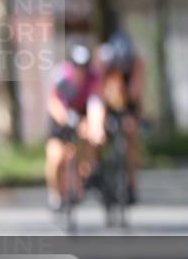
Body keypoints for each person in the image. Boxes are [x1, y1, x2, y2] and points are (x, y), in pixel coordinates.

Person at [45, 43, 100, 211]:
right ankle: (56, 194)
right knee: (56, 159)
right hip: (61, 120)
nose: (80, 70)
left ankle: (84, 177)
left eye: (84, 67)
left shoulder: (94, 79)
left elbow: (95, 105)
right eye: (77, 66)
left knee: (89, 141)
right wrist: (65, 119)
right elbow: (53, 102)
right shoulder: (61, 76)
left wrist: (93, 126)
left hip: (82, 116)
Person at [92, 30, 145, 204]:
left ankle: (131, 184)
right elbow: (97, 89)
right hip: (105, 101)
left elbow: (135, 93)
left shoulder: (137, 62)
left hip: (128, 102)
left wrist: (124, 96)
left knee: (131, 134)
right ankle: (96, 168)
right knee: (97, 128)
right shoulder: (102, 59)